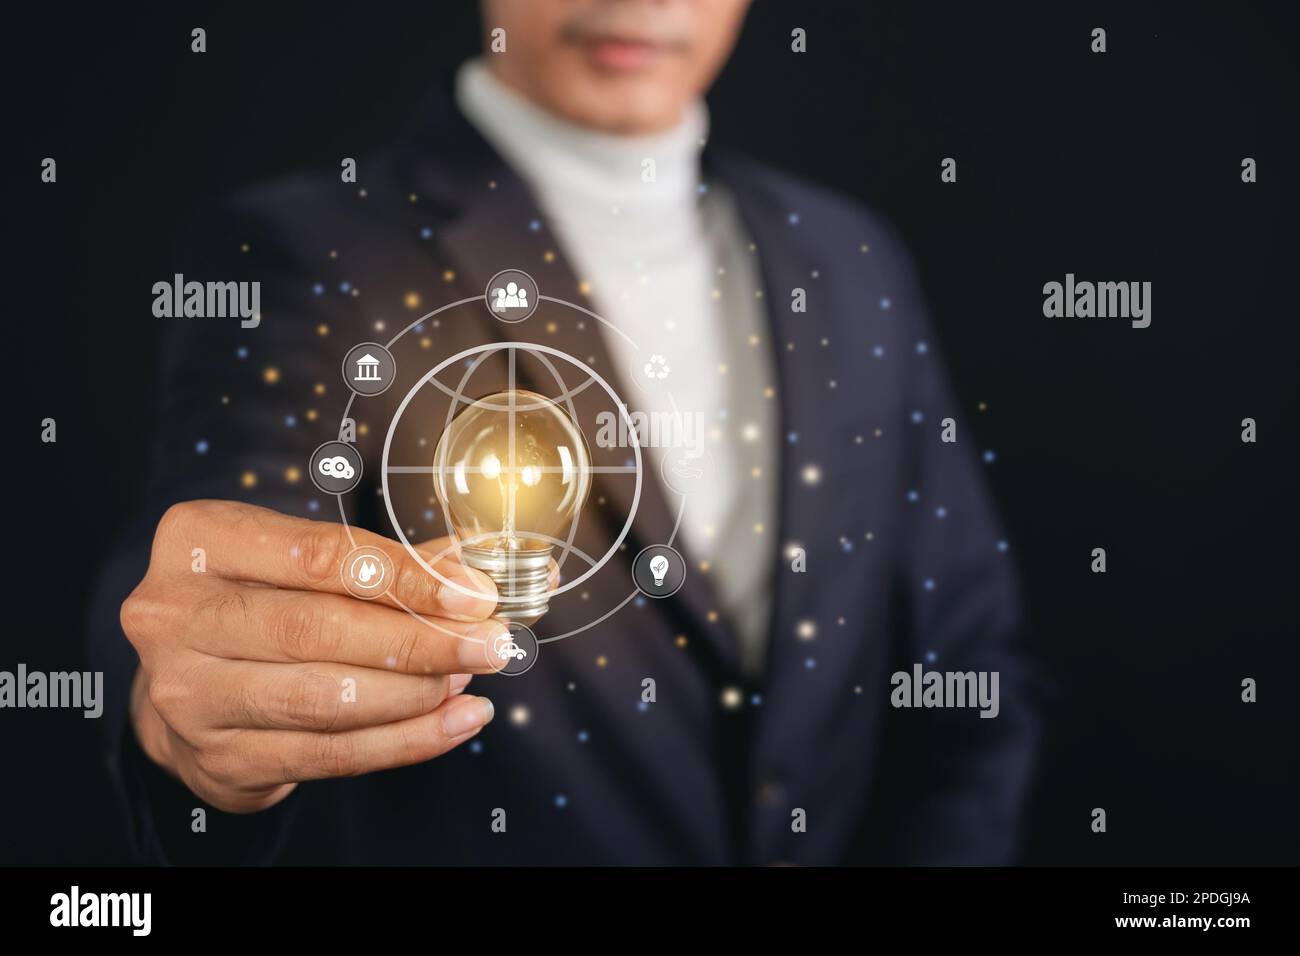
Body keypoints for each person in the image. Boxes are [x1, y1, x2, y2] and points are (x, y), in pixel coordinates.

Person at [89, 0, 1042, 865]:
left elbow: (968, 662)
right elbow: (211, 570)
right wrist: (181, 713)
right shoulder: (307, 250)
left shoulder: (850, 258)